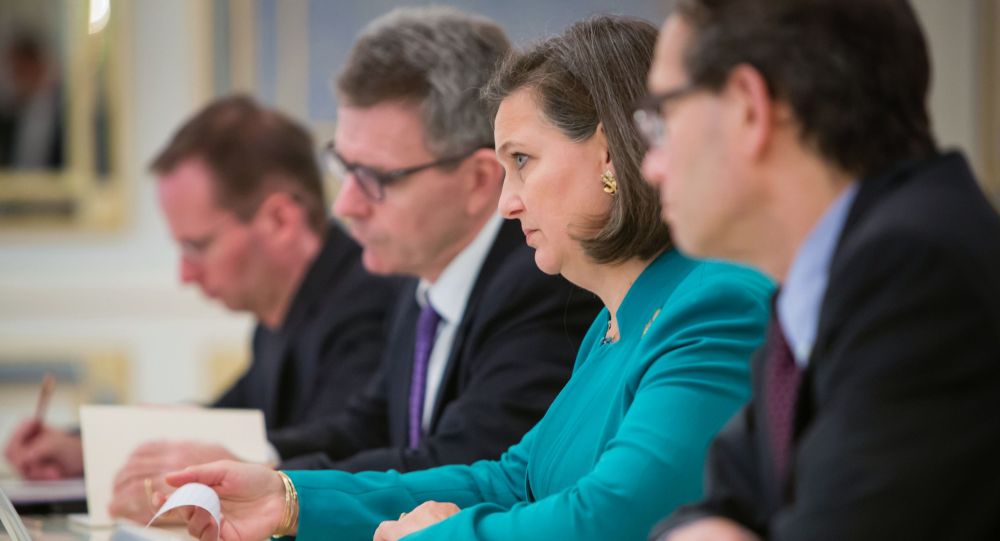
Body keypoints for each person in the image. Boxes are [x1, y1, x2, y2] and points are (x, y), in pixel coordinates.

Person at [164, 15, 773, 541]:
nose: (507, 203)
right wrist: (289, 498)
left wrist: (441, 535)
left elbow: (613, 515)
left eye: (523, 161)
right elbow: (508, 479)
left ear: (609, 152)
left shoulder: (714, 302)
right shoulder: (610, 325)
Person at [639, 1, 1000, 540]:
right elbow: (719, 501)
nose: (651, 165)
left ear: (748, 107)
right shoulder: (829, 276)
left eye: (662, 118)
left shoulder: (915, 273)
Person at [4, 95, 399, 520]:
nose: (185, 274)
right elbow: (226, 422)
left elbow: (337, 452)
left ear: (280, 220)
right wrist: (82, 446)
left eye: (197, 246)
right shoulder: (284, 313)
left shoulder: (368, 301)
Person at [261, 7, 599, 474]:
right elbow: (371, 424)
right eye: (343, 167)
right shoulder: (423, 269)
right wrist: (257, 459)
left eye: (375, 177)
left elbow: (462, 463)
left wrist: (280, 490)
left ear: (479, 180)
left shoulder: (542, 284)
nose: (346, 205)